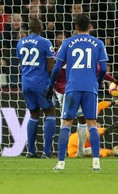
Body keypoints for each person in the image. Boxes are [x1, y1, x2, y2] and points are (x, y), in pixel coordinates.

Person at [46, 14, 108, 170]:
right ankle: (96, 162)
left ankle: (61, 163)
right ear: (90, 26)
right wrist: (98, 82)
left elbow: (56, 67)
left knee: (66, 123)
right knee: (92, 124)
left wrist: (50, 85)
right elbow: (104, 69)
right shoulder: (98, 43)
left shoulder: (67, 42)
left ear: (75, 27)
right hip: (90, 88)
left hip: (72, 88)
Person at [16, 17, 56, 158]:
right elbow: (51, 66)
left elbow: (21, 63)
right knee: (50, 112)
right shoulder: (45, 42)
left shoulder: (20, 42)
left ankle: (31, 151)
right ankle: (46, 152)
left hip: (26, 82)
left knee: (33, 114)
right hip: (41, 83)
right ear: (41, 28)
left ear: (29, 29)